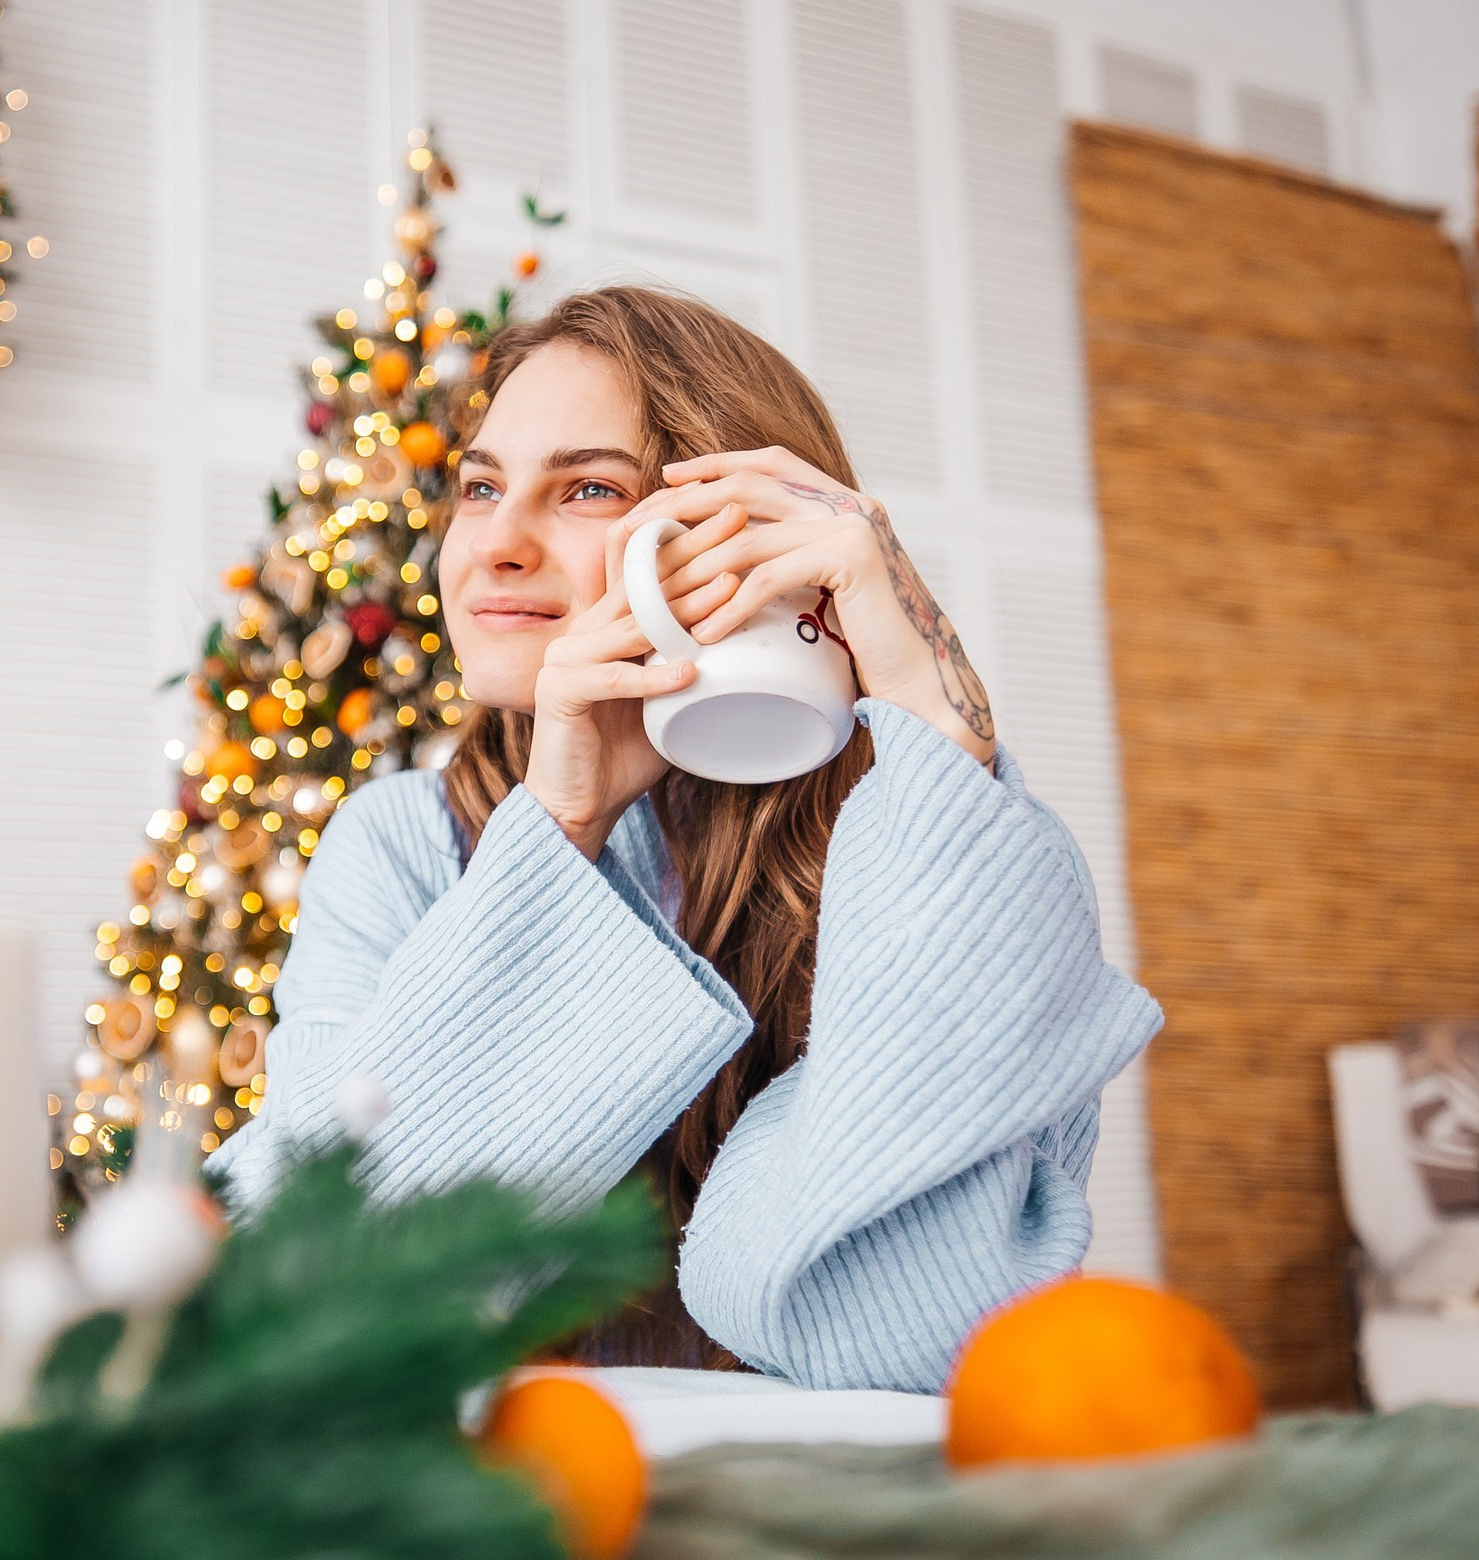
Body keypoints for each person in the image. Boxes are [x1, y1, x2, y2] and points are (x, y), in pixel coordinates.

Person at [209, 285, 1161, 1388]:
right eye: (479, 486)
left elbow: (918, 1329)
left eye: (587, 488)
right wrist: (559, 828)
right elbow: (301, 1293)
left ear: (750, 535)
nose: (495, 545)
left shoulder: (940, 842)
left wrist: (936, 732)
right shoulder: (399, 845)